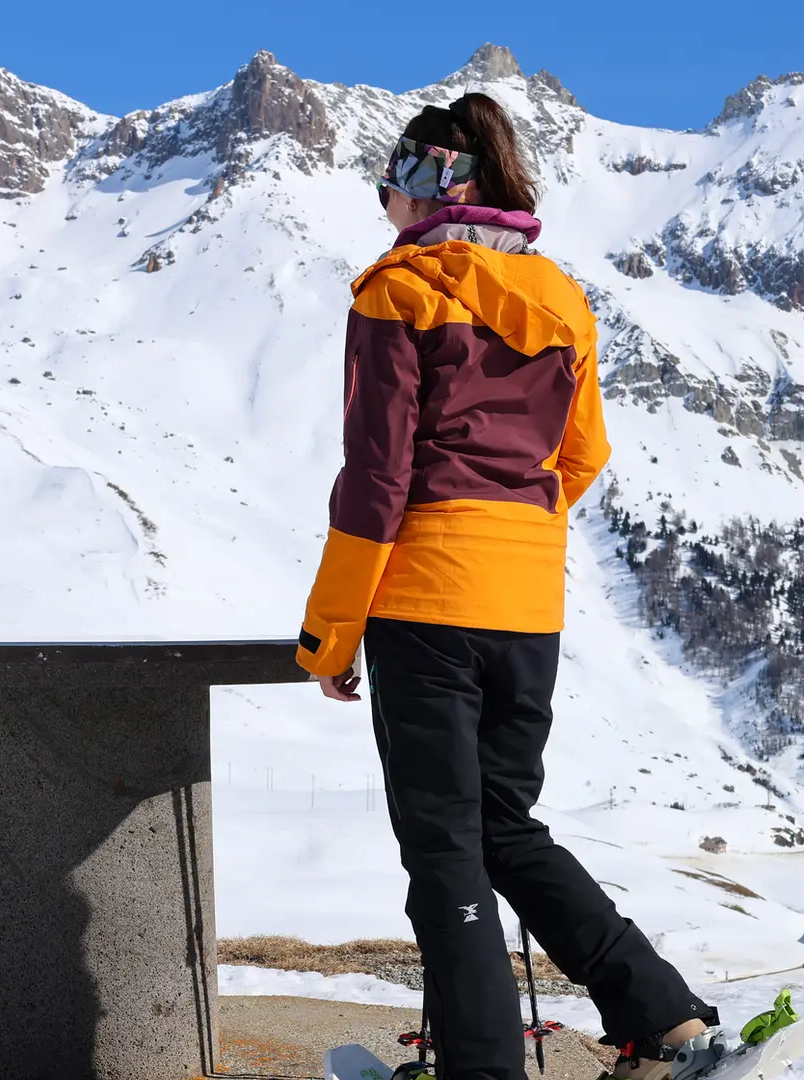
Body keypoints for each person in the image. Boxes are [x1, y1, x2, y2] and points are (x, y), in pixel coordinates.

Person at [293, 93, 718, 1080]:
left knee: (446, 849)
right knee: (506, 829)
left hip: (427, 598)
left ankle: (480, 1069)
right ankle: (664, 1019)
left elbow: (377, 483)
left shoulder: (395, 293)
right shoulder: (562, 301)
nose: (385, 190)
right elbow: (584, 453)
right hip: (527, 600)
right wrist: (510, 526)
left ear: (446, 184)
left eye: (400, 171)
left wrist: (330, 635)